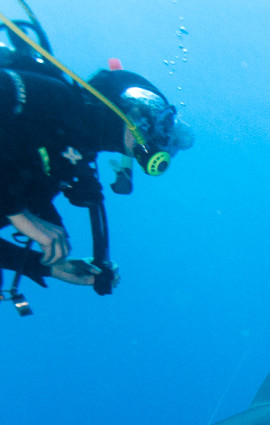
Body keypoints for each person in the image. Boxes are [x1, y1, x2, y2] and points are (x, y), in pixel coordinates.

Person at [1, 14, 193, 303]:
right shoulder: (59, 100)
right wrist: (18, 212)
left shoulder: (72, 162)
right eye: (159, 126)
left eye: (168, 141)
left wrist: (46, 267)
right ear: (131, 112)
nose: (161, 144)